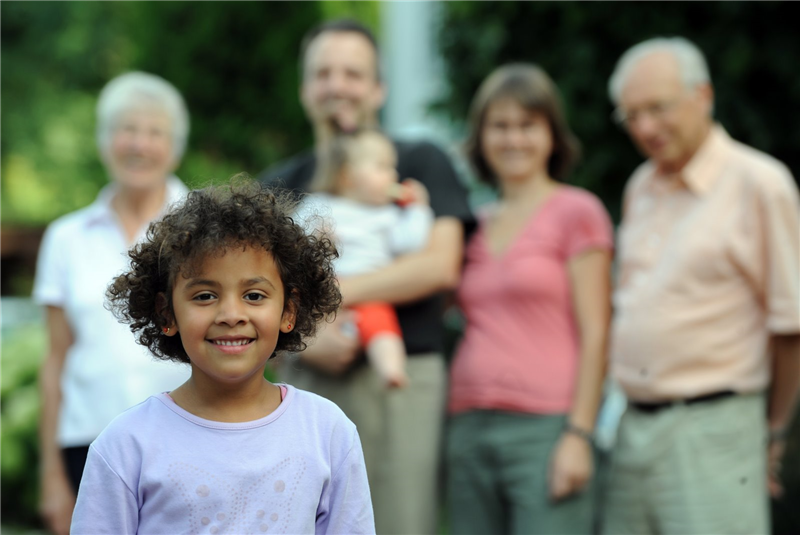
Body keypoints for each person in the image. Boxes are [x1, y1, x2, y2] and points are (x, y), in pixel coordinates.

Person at [259, 19, 473, 534]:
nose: (337, 86)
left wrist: (322, 301)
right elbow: (255, 297)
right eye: (323, 73)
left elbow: (438, 264)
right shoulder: (276, 187)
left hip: (400, 381)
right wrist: (305, 341)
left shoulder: (419, 160)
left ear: (378, 88)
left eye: (353, 74)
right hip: (303, 383)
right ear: (305, 88)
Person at [70, 180, 374, 534]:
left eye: (255, 295)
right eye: (204, 296)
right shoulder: (126, 445)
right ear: (167, 314)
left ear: (288, 310)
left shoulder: (327, 431)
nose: (231, 314)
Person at [604, 37, 800, 534]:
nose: (645, 128)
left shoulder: (760, 183)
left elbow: (791, 325)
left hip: (715, 428)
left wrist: (775, 432)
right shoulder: (640, 186)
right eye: (631, 116)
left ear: (703, 96)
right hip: (631, 427)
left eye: (658, 108)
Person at [445, 63, 613, 535]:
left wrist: (580, 434)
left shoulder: (578, 211)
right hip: (468, 426)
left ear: (552, 135)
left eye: (527, 125)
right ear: (480, 138)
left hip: (546, 428)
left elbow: (598, 331)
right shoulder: (470, 224)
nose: (513, 139)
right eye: (499, 126)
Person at [34, 71, 192, 535]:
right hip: (89, 447)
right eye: (127, 129)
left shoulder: (204, 233)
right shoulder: (66, 238)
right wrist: (51, 475)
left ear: (174, 146)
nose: (139, 144)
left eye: (154, 131)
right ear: (105, 140)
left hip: (188, 439)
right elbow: (55, 359)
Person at [296, 128, 435, 388]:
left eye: (392, 166)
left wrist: (418, 210)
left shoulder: (388, 215)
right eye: (382, 166)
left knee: (382, 325)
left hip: (369, 289)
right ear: (348, 177)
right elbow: (291, 235)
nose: (394, 174)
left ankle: (391, 370)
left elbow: (410, 242)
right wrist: (314, 234)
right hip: (324, 286)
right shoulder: (319, 205)